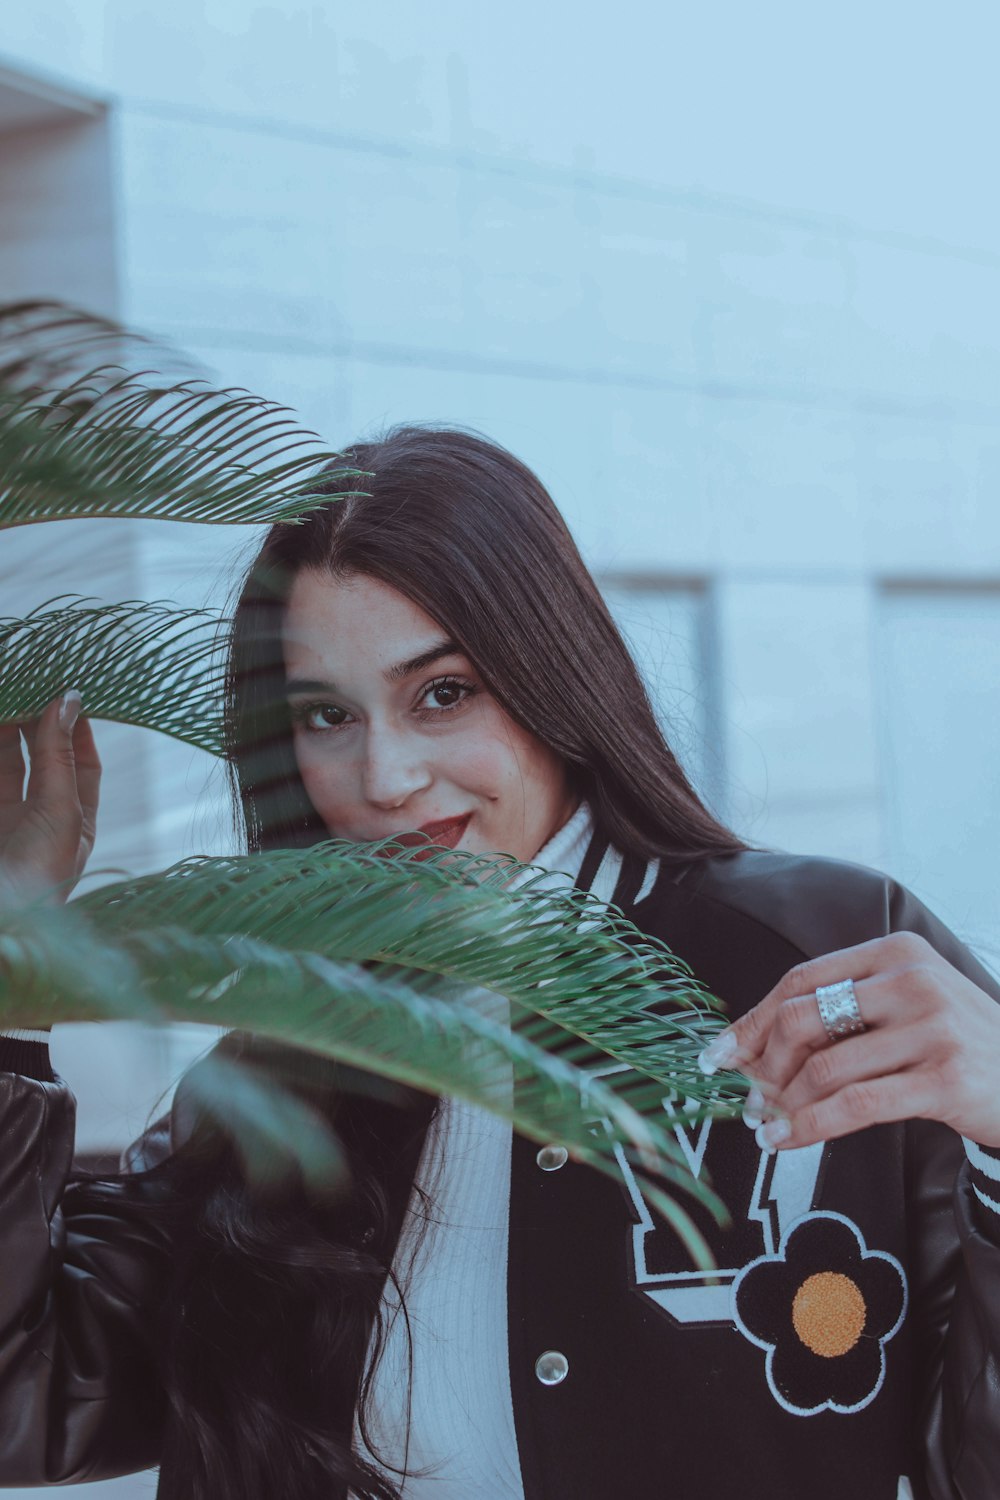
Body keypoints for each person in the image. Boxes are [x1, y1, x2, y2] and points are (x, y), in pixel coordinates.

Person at [0, 423, 998, 1500]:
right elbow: (31, 1398)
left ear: (551, 672)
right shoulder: (276, 1068)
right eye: (327, 716)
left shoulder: (822, 956)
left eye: (442, 693)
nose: (384, 778)